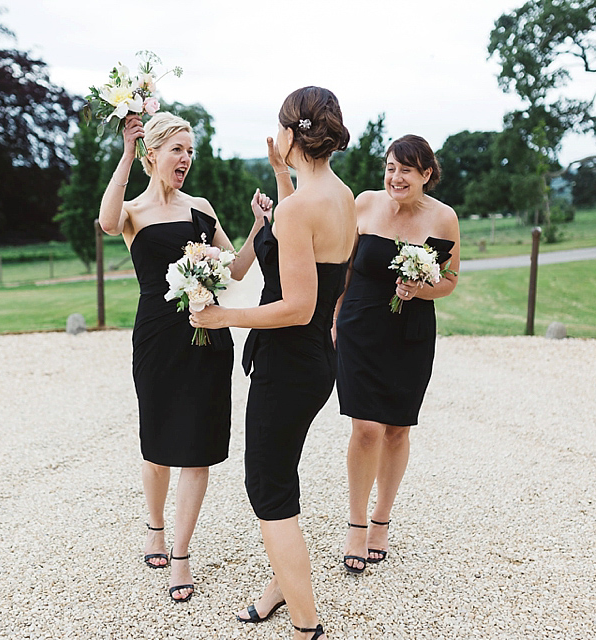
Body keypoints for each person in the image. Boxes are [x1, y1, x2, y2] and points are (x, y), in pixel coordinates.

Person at [191, 86, 354, 640]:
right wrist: (281, 180)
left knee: (266, 486)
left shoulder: (300, 208)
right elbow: (304, 261)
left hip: (289, 364)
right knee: (281, 473)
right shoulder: (340, 195)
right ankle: (280, 588)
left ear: (291, 134)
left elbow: (298, 305)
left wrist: (223, 318)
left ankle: (307, 623)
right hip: (313, 363)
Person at [98, 111, 265, 602]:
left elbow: (233, 269)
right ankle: (154, 526)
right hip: (157, 338)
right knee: (157, 441)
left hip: (207, 335)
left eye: (190, 151)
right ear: (153, 155)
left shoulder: (201, 208)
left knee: (197, 447)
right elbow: (108, 222)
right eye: (177, 150)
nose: (186, 159)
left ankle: (182, 554)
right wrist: (125, 154)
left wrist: (258, 227)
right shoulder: (133, 212)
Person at [335, 134, 461, 574]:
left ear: (426, 174)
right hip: (358, 326)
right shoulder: (364, 204)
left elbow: (449, 280)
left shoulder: (444, 219)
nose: (395, 177)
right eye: (390, 167)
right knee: (366, 427)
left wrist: (421, 288)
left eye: (406, 170)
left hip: (410, 332)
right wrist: (333, 317)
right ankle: (355, 524)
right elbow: (344, 267)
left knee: (396, 430)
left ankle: (381, 520)